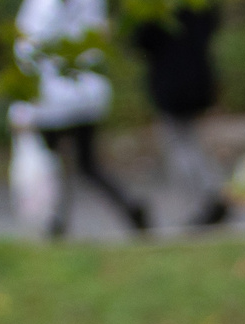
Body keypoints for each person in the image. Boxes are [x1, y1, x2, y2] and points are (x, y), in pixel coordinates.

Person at [15, 0, 151, 236]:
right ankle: (126, 206)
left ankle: (56, 223)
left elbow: (27, 49)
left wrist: (22, 105)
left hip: (51, 98)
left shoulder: (41, 6)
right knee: (87, 165)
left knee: (55, 164)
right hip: (86, 93)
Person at [133, 0, 230, 229]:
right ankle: (210, 193)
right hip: (198, 76)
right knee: (190, 140)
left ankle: (205, 198)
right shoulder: (197, 6)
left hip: (171, 82)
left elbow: (141, 41)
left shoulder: (156, 10)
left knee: (179, 143)